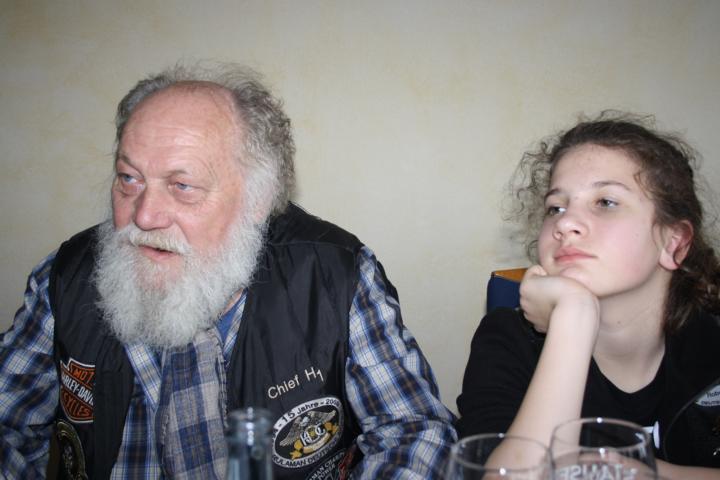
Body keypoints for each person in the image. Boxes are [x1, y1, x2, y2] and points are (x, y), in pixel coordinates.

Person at [0, 62, 456, 479]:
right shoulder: (66, 278)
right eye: (129, 179)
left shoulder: (334, 276)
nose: (143, 216)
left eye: (182, 185)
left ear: (258, 198)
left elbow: (413, 432)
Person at [456, 112, 720, 478]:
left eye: (605, 202)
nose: (564, 223)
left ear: (674, 243)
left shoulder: (711, 342)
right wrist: (574, 316)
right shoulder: (507, 340)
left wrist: (645, 472)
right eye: (556, 207)